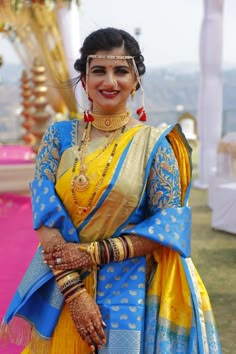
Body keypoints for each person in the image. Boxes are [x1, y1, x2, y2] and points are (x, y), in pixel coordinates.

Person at [0, 27, 222, 354]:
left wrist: (91, 253)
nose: (109, 82)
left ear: (136, 80)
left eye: (121, 71)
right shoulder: (58, 138)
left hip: (130, 296)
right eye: (98, 71)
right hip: (65, 290)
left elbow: (167, 229)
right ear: (84, 79)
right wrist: (75, 293)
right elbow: (45, 219)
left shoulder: (155, 148)